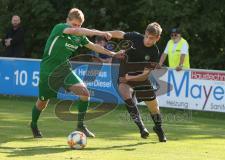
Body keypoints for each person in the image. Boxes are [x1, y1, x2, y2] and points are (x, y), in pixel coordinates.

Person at [30, 8, 124, 138]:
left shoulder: (79, 37)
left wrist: (113, 54)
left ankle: (80, 126)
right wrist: (102, 33)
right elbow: (77, 31)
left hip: (64, 69)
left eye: (79, 25)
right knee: (42, 102)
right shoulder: (60, 28)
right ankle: (33, 124)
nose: (76, 28)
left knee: (85, 93)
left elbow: (94, 46)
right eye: (74, 24)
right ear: (67, 20)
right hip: (48, 71)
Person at [109, 22, 167, 142]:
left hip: (140, 78)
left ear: (158, 38)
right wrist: (105, 33)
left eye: (151, 38)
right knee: (126, 95)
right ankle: (142, 128)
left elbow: (145, 74)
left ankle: (158, 128)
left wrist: (130, 78)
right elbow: (121, 34)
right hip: (124, 74)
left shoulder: (154, 52)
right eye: (146, 36)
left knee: (154, 107)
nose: (147, 40)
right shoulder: (135, 37)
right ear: (144, 33)